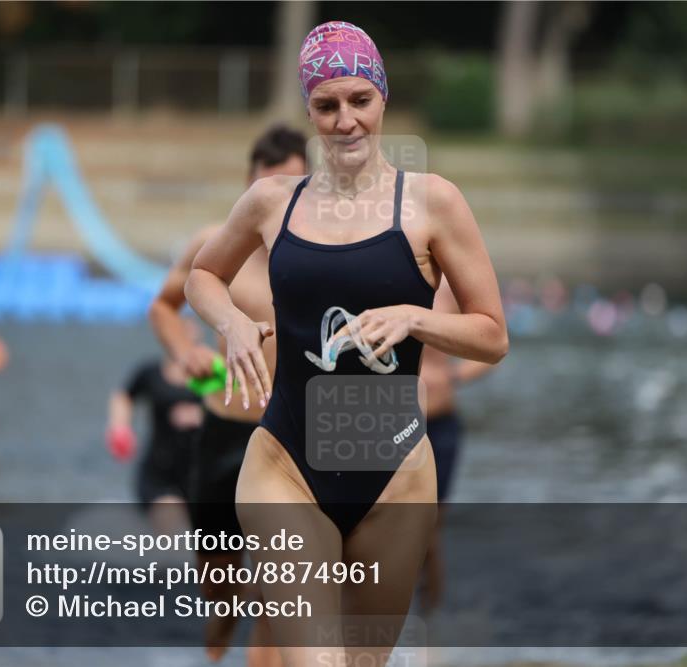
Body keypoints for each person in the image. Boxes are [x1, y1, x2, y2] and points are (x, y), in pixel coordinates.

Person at [184, 21, 508, 667]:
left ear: (383, 98)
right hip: (285, 466)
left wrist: (415, 318)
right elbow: (201, 275)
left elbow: (493, 335)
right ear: (308, 110)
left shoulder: (433, 203)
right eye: (327, 104)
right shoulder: (272, 201)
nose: (345, 120)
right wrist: (232, 322)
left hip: (396, 478)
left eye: (360, 100)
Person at [148, 124, 307, 664]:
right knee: (220, 593)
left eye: (290, 187)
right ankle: (219, 637)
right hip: (222, 431)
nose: (276, 199)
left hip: (288, 439)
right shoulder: (214, 245)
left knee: (276, 591)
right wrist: (185, 352)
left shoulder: (324, 257)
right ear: (248, 186)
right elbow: (164, 306)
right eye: (267, 186)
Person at [418, 277, 497, 610]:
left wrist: (452, 376)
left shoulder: (450, 291)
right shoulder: (380, 279)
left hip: (439, 423)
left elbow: (493, 348)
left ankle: (429, 616)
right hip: (388, 424)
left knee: (429, 530)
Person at [105, 356, 204, 536]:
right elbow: (124, 396)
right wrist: (119, 428)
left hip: (200, 476)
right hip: (159, 475)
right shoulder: (151, 374)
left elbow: (238, 402)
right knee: (172, 525)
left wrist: (201, 415)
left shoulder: (213, 374)